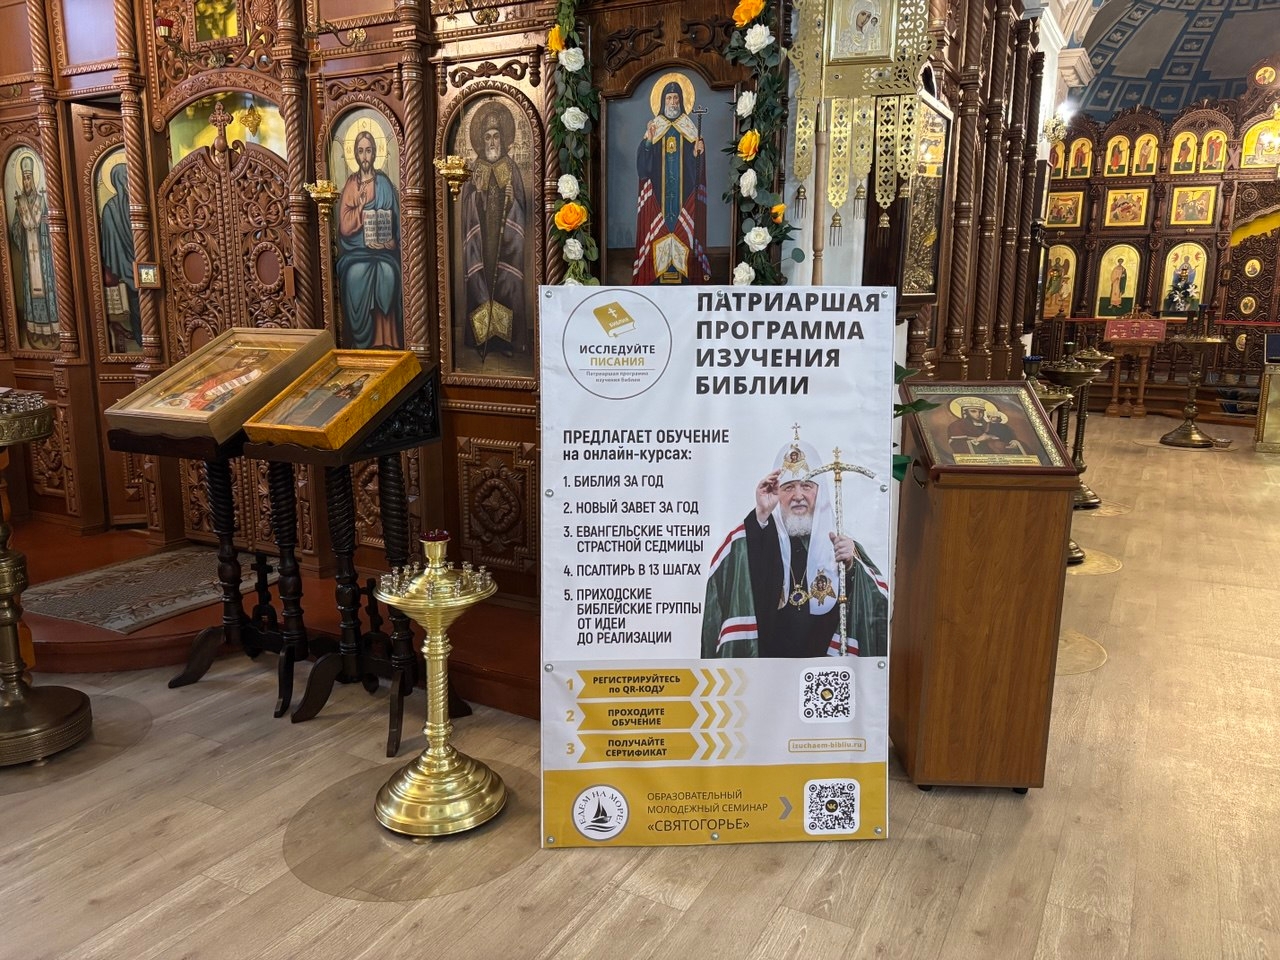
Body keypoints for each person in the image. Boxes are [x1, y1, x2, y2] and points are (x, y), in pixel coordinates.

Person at [701, 432, 888, 659]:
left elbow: (875, 603)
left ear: (820, 492)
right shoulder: (759, 537)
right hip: (768, 667)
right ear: (777, 493)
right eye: (788, 487)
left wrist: (850, 566)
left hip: (822, 669)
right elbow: (735, 578)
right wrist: (761, 514)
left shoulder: (841, 545)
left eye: (807, 486)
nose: (798, 495)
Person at [460, 103, 527, 360]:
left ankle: (504, 341)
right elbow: (466, 208)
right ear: (481, 140)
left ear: (503, 138)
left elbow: (521, 208)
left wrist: (512, 201)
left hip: (505, 242)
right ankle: (481, 339)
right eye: (487, 137)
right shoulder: (475, 169)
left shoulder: (511, 168)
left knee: (505, 284)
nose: (491, 141)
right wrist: (475, 194)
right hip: (481, 243)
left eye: (496, 136)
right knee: (480, 282)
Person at [632, 78, 711, 285]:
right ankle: (657, 275)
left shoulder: (689, 127)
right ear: (662, 101)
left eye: (676, 98)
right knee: (661, 228)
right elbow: (643, 168)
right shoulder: (655, 126)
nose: (673, 102)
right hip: (659, 195)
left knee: (682, 227)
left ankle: (684, 275)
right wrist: (649, 142)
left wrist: (697, 154)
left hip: (683, 195)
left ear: (682, 101)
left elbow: (697, 170)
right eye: (669, 98)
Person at [337, 129, 402, 349]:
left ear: (375, 153)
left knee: (388, 272)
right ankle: (360, 343)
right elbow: (345, 226)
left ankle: (387, 340)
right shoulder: (351, 185)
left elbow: (396, 222)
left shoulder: (384, 183)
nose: (365, 156)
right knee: (354, 275)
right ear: (355, 154)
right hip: (356, 253)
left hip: (384, 251)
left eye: (369, 151)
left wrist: (389, 242)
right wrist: (362, 208)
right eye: (361, 151)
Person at [7, 154, 58, 350]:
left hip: (44, 256)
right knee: (31, 292)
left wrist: (46, 225)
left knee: (48, 290)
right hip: (30, 258)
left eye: (29, 177)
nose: (27, 182)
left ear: (34, 179)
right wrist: (19, 227)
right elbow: (14, 229)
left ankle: (51, 330)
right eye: (24, 178)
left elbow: (53, 227)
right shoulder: (19, 204)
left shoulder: (42, 201)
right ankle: (35, 329)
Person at [98, 160, 142, 351]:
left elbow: (109, 245)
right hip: (133, 263)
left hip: (128, 264)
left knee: (139, 302)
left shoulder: (120, 205)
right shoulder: (115, 207)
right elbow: (109, 240)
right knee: (138, 303)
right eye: (125, 179)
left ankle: (144, 337)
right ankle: (143, 338)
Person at [160, 351, 271, 411]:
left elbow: (239, 389)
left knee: (197, 407)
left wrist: (218, 395)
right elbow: (208, 378)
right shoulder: (229, 369)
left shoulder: (249, 374)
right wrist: (194, 386)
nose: (247, 361)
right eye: (247, 358)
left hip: (217, 394)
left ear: (254, 362)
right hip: (204, 389)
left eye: (252, 360)